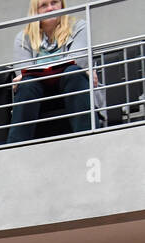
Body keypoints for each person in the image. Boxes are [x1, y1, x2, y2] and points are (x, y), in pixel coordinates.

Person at [7, 0, 93, 144]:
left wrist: (38, 72)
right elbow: (22, 73)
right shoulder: (23, 38)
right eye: (44, 5)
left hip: (71, 90)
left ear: (62, 5)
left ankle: (89, 140)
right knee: (27, 84)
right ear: (36, 11)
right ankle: (15, 148)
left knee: (73, 73)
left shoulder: (79, 27)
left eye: (54, 3)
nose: (50, 8)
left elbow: (79, 61)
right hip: (40, 99)